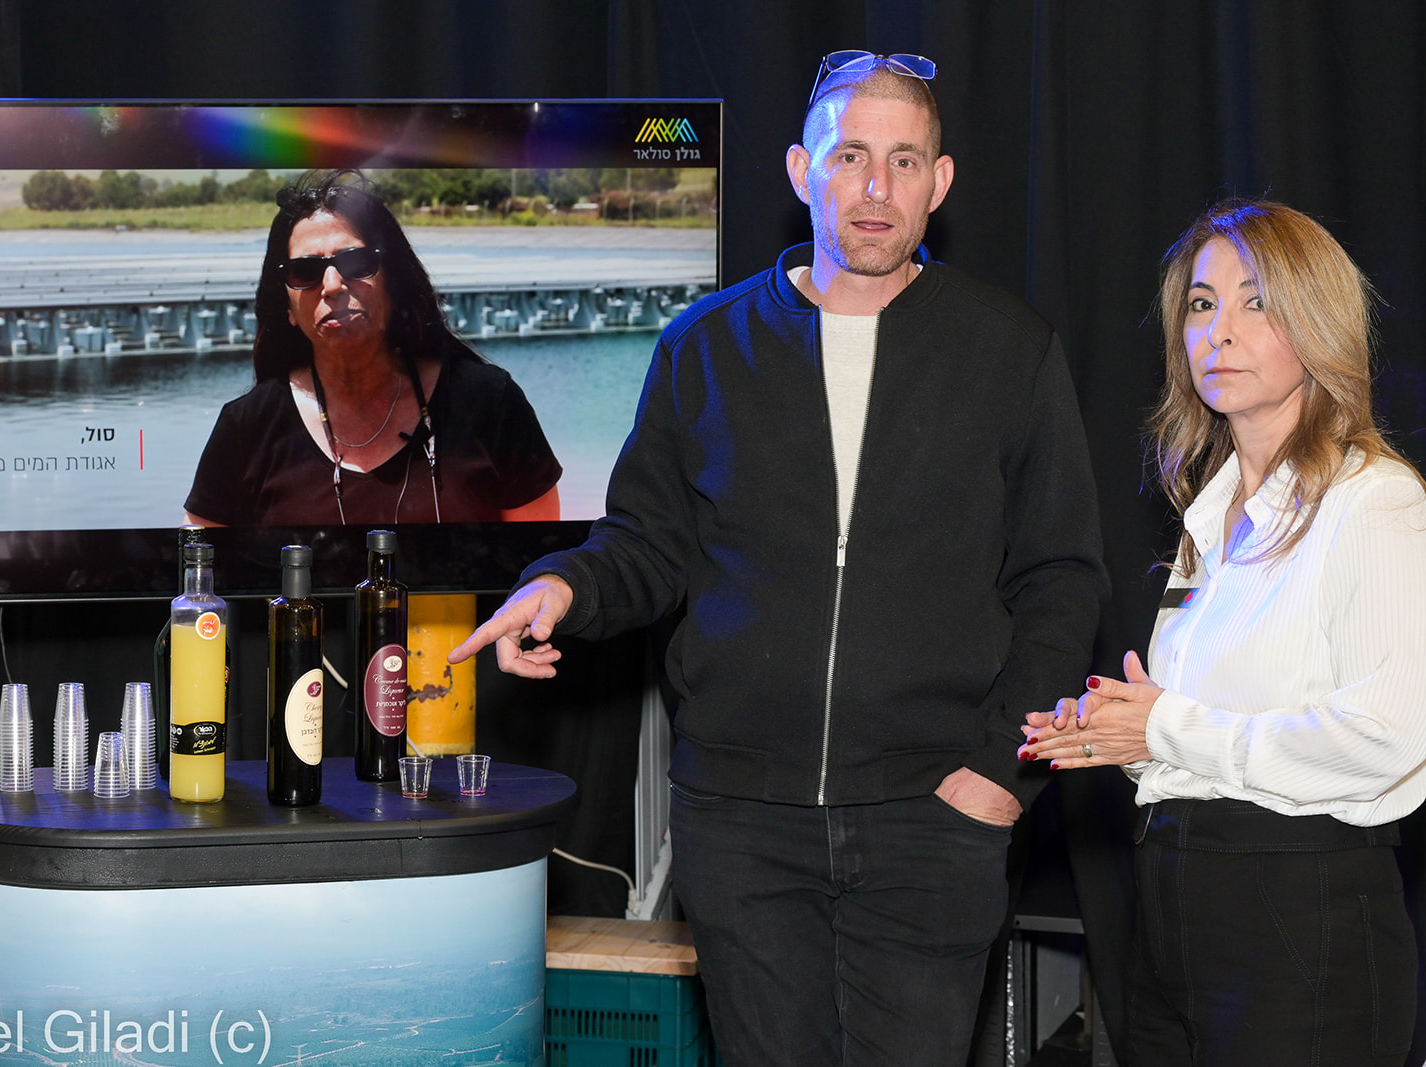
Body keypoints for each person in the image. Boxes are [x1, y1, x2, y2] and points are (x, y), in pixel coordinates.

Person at [450, 51, 1104, 1064]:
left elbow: (1060, 579)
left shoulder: (1010, 350)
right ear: (802, 170)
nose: (875, 186)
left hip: (933, 817)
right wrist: (562, 584)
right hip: (740, 823)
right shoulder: (704, 345)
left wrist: (995, 779)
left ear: (939, 182)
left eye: (903, 160)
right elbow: (649, 541)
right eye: (849, 156)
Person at [1021, 200, 1426, 1065]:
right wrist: (1121, 735)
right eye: (1202, 304)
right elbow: (1208, 738)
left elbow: (1390, 738)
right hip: (1173, 913)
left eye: (1257, 301)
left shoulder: (1373, 500)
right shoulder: (1210, 518)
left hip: (1302, 918)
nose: (1220, 330)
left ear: (1318, 323)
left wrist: (1167, 725)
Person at [185, 169, 561, 526]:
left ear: (394, 284)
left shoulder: (489, 404)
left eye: (355, 262)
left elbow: (544, 559)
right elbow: (195, 562)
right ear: (288, 309)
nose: (332, 285)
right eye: (305, 271)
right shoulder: (248, 428)